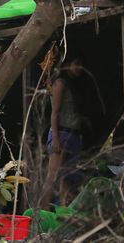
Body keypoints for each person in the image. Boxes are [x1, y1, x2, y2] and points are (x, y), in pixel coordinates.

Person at [40, 54, 86, 210]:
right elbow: (55, 112)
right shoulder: (60, 83)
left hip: (74, 135)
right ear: (67, 64)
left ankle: (62, 211)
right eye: (76, 63)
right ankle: (41, 215)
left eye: (81, 65)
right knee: (52, 177)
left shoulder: (75, 84)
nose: (79, 68)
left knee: (67, 178)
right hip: (61, 134)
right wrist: (56, 139)